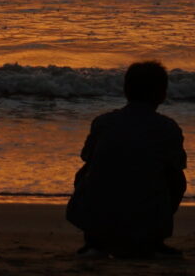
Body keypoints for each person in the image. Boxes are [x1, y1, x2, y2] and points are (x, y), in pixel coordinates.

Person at [65, 61, 185, 259]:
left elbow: (87, 156)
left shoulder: (103, 122)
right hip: (146, 209)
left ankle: (94, 240)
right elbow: (177, 164)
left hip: (101, 213)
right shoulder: (168, 128)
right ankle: (154, 240)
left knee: (86, 171)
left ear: (125, 90)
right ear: (162, 94)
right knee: (177, 178)